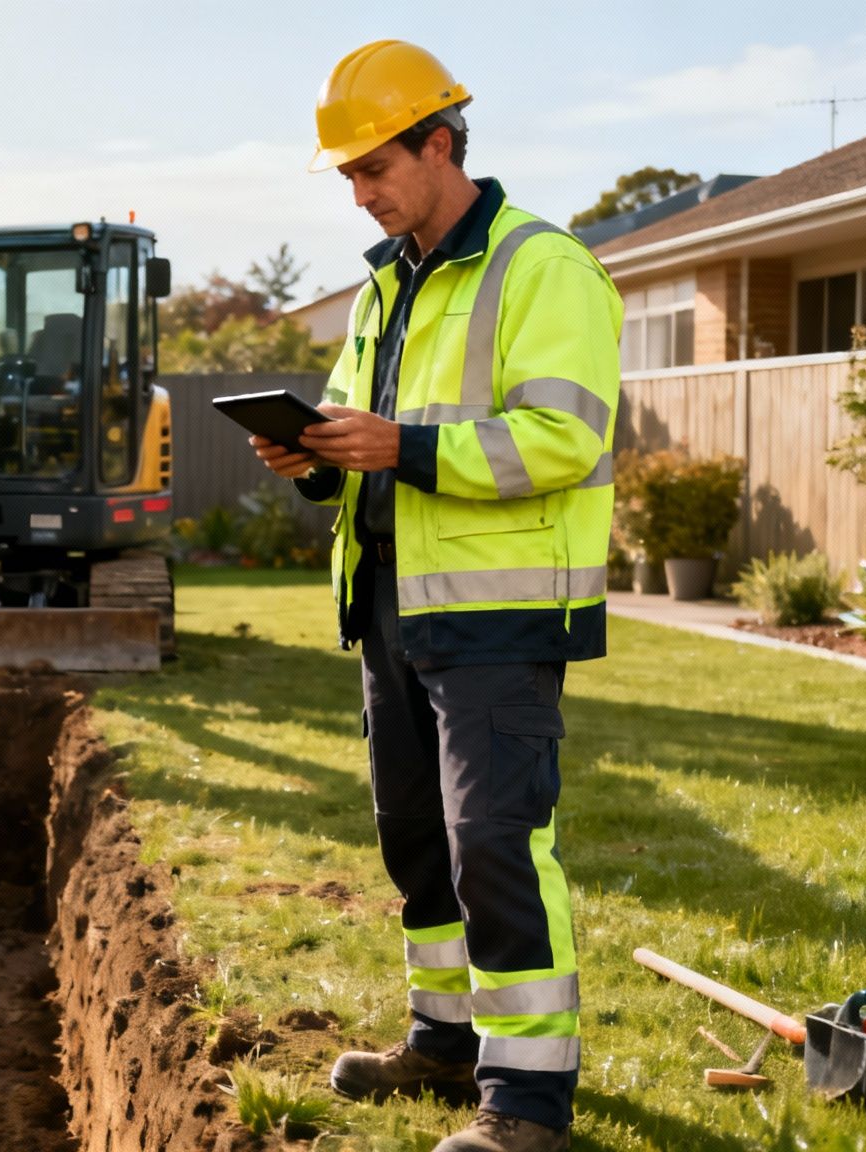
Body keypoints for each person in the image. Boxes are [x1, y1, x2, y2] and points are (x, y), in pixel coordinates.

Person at [249, 39, 621, 1152]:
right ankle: (443, 1043)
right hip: (392, 609)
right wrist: (312, 456)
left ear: (439, 144)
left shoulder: (542, 268)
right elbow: (355, 429)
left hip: (496, 616)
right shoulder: (383, 285)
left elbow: (563, 437)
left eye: (373, 168)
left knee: (495, 845)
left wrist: (397, 445)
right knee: (415, 839)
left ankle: (525, 1106)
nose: (359, 195)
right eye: (349, 177)